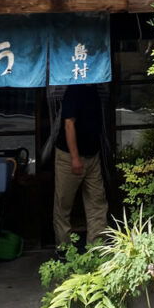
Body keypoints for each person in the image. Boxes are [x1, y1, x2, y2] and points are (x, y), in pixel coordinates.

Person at [54, 84, 108, 248]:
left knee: (97, 203)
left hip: (92, 155)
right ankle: (64, 248)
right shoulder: (74, 90)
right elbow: (68, 123)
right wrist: (75, 158)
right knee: (64, 204)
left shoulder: (94, 91)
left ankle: (97, 248)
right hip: (69, 156)